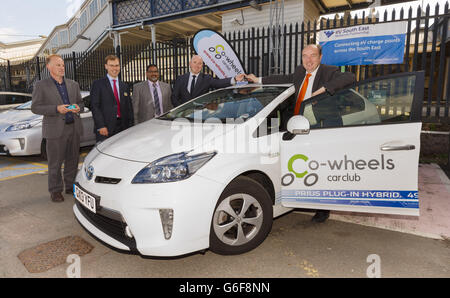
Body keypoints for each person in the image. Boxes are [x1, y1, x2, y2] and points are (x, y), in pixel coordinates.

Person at [246, 44, 356, 223]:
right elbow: (281, 78)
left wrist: (325, 89)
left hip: (320, 126)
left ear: (320, 57)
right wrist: (257, 79)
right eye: (305, 56)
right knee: (299, 165)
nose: (308, 60)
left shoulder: (329, 71)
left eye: (312, 55)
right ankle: (300, 196)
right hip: (298, 127)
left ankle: (323, 208)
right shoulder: (299, 72)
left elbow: (350, 77)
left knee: (320, 167)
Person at [31, 54, 84, 202]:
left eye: (62, 65)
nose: (62, 68)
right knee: (55, 162)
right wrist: (56, 109)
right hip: (55, 130)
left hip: (73, 127)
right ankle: (55, 191)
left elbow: (81, 104)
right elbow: (35, 107)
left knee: (73, 160)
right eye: (58, 65)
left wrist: (77, 108)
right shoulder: (41, 85)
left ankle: (70, 186)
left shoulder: (73, 84)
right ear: (49, 67)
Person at [171, 55, 245, 107]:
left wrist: (234, 79)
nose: (197, 65)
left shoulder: (206, 78)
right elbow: (174, 97)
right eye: (195, 62)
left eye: (200, 63)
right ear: (190, 63)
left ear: (202, 66)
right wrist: (180, 109)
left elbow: (218, 83)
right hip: (183, 114)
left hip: (201, 113)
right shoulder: (180, 79)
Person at [90, 55, 134, 142]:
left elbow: (129, 108)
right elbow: (95, 107)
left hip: (123, 128)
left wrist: (130, 126)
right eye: (111, 65)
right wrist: (101, 126)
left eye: (117, 65)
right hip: (105, 128)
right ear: (106, 66)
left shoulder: (124, 86)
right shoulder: (98, 84)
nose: (115, 68)